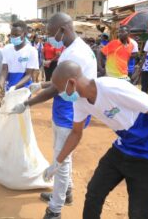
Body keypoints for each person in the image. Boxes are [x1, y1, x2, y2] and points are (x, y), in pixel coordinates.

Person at [10, 13, 97, 219]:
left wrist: (27, 103)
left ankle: (55, 209)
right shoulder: (79, 48)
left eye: (50, 33)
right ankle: (65, 192)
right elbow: (64, 81)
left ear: (63, 30)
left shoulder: (73, 55)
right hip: (71, 109)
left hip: (70, 111)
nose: (50, 37)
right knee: (65, 155)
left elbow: (57, 89)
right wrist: (42, 83)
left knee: (61, 159)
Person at [46, 60, 148, 219]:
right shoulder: (80, 102)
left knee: (139, 212)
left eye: (61, 90)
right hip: (123, 146)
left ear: (71, 82)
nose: (60, 94)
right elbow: (76, 133)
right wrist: (57, 161)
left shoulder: (112, 87)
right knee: (94, 193)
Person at [0, 20, 39, 92]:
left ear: (24, 34)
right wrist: (0, 85)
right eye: (12, 34)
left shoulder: (32, 51)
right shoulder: (6, 49)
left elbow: (29, 75)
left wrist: (15, 87)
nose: (13, 37)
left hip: (24, 90)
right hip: (8, 87)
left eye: (16, 35)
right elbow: (4, 70)